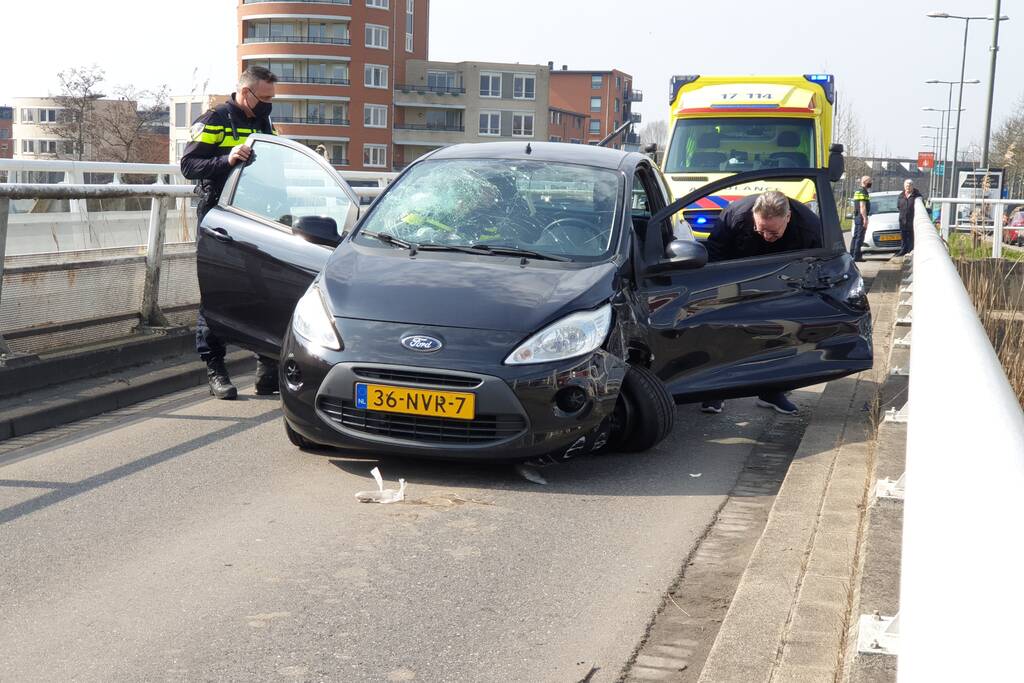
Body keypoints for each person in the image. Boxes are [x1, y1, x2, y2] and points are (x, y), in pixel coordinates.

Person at [180, 66, 279, 400]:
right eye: (264, 98)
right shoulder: (215, 119)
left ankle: (268, 368)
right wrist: (227, 159)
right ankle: (215, 369)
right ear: (245, 91)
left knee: (266, 290)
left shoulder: (263, 122)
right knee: (218, 292)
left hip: (258, 217)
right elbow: (189, 166)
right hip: (218, 217)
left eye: (272, 98)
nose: (268, 104)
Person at [700, 190, 823, 416]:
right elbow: (714, 254)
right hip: (736, 276)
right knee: (722, 331)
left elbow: (818, 265)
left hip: (783, 281)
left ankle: (772, 391)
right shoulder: (734, 215)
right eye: (760, 229)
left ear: (788, 218)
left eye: (773, 232)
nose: (766, 236)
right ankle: (715, 389)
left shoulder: (810, 227)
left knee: (781, 334)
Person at [895, 179, 922, 256]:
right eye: (906, 186)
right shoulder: (901, 195)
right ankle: (903, 250)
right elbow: (898, 206)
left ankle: (911, 251)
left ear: (912, 186)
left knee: (911, 237)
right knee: (903, 237)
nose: (908, 187)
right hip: (903, 220)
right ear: (904, 186)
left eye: (909, 185)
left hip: (912, 220)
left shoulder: (917, 196)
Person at [849, 175, 871, 262]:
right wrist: (865, 219)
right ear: (865, 182)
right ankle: (856, 256)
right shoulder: (862, 192)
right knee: (859, 237)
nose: (870, 183)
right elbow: (862, 206)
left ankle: (852, 254)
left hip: (857, 216)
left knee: (856, 236)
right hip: (861, 217)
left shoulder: (858, 191)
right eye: (869, 181)